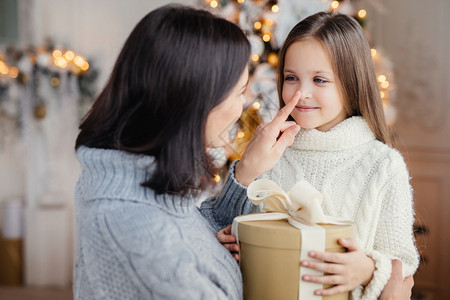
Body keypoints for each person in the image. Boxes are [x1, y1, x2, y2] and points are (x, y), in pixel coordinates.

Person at [73, 4, 302, 299]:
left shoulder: (132, 177)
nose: (245, 103)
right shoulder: (138, 230)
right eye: (240, 91)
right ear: (196, 101)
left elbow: (186, 239)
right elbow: (172, 251)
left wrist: (245, 174)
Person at [218, 11, 419, 300]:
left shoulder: (384, 165)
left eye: (320, 80)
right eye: (291, 78)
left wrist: (369, 269)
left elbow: (403, 265)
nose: (301, 93)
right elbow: (232, 230)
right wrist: (226, 240)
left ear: (352, 83)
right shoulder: (268, 153)